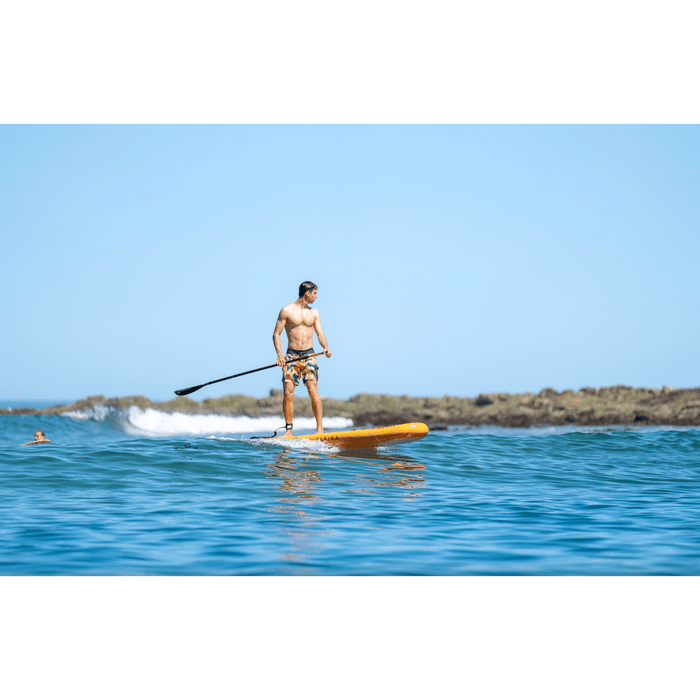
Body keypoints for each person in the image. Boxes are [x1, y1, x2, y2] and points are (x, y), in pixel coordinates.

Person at [273, 281, 332, 437]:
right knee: (288, 393)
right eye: (315, 293)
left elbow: (320, 333)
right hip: (291, 357)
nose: (316, 296)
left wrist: (325, 347)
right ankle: (289, 430)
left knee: (313, 391)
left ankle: (319, 430)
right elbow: (276, 334)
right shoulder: (286, 310)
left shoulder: (314, 313)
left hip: (309, 355)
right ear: (307, 293)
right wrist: (280, 355)